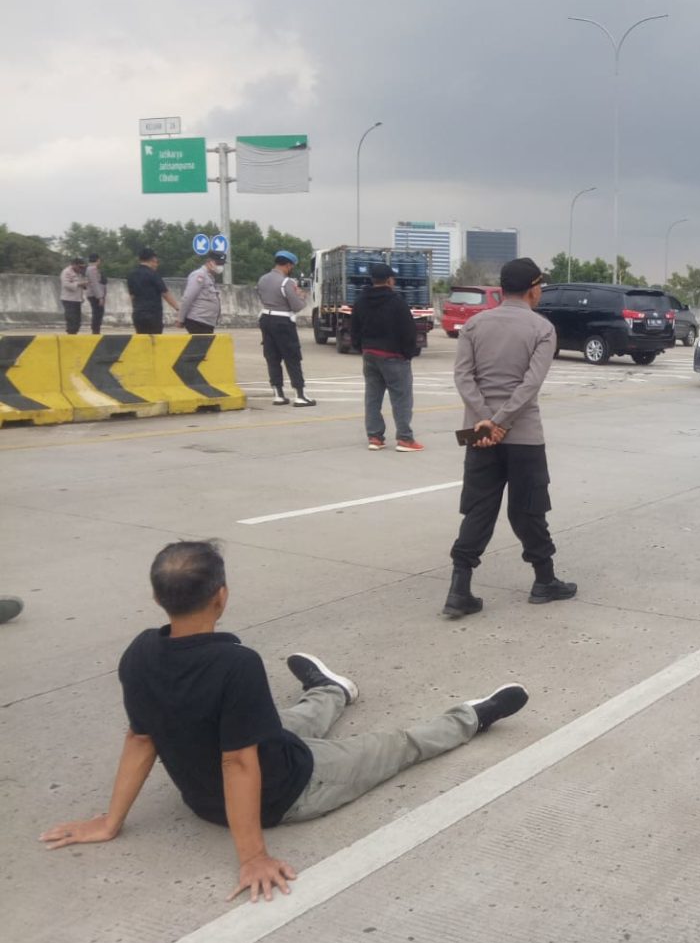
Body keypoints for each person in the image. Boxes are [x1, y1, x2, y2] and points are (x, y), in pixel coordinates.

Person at [38, 540, 530, 902]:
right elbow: (237, 762)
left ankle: (331, 689)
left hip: (223, 784)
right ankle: (473, 715)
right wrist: (252, 855)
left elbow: (139, 738)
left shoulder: (141, 651)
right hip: (292, 789)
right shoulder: (236, 664)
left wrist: (111, 821)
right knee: (399, 744)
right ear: (221, 596)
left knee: (286, 719)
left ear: (157, 596)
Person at [444, 257, 575, 617]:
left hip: (480, 435)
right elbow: (530, 384)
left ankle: (459, 590)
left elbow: (463, 377)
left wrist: (486, 420)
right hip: (524, 436)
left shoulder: (474, 325)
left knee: (478, 509)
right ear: (534, 289)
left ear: (501, 289)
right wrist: (502, 421)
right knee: (529, 509)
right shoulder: (542, 329)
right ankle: (544, 580)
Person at [351, 261, 422, 452]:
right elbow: (408, 331)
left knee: (373, 397)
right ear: (390, 280)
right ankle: (405, 439)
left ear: (373, 280)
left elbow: (354, 329)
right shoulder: (396, 302)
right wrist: (409, 353)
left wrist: (362, 347)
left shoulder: (360, 301)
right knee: (401, 398)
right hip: (393, 356)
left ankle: (375, 437)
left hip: (370, 354)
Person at [256, 250, 313, 406]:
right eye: (292, 266)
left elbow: (261, 297)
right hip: (282, 321)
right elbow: (296, 306)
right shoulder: (287, 282)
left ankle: (278, 394)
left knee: (272, 357)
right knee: (292, 357)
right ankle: (300, 395)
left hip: (265, 318)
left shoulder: (262, 279)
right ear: (288, 265)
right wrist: (302, 297)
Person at [126, 248, 178, 335]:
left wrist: (137, 309)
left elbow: (132, 296)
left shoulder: (131, 275)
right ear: (153, 259)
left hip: (138, 315)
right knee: (154, 343)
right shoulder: (153, 274)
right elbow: (165, 293)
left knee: (142, 342)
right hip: (153, 315)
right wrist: (178, 308)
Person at [180, 251, 225, 334]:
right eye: (218, 263)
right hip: (197, 320)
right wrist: (181, 318)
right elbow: (188, 297)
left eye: (222, 264)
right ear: (209, 262)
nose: (220, 266)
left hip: (206, 322)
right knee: (199, 346)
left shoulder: (210, 277)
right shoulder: (199, 275)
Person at [59, 256, 88, 334]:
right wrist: (79, 284)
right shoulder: (66, 272)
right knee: (71, 319)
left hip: (77, 299)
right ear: (74, 265)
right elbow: (66, 284)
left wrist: (85, 285)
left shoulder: (80, 273)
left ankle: (74, 333)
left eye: (82, 267)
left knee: (77, 320)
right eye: (79, 267)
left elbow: (84, 284)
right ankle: (70, 334)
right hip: (68, 299)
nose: (81, 269)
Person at [85, 253, 107, 335]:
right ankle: (95, 331)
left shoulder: (91, 269)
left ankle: (96, 330)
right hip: (95, 295)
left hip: (95, 294)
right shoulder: (92, 269)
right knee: (97, 313)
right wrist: (100, 297)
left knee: (98, 313)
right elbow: (95, 283)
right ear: (98, 260)